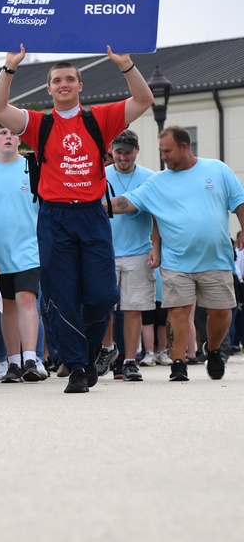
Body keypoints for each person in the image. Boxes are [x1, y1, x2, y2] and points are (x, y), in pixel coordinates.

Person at [0, 43, 153, 394]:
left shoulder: (98, 118)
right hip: (55, 217)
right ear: (49, 88)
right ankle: (77, 366)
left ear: (80, 86)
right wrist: (9, 67)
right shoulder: (38, 123)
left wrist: (125, 65)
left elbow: (143, 100)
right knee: (61, 295)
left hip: (92, 215)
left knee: (104, 295)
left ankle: (91, 348)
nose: (63, 84)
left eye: (69, 79)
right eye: (56, 80)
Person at [110, 126, 244, 382]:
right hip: (177, 261)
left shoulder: (217, 170)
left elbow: (240, 202)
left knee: (221, 312)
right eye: (161, 152)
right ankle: (178, 363)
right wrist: (93, 205)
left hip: (215, 259)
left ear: (184, 147)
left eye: (167, 151)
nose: (164, 157)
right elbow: (127, 202)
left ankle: (213, 350)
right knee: (178, 312)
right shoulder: (158, 182)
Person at [0, 122, 45, 383]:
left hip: (28, 249)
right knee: (7, 307)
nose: (9, 137)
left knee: (27, 300)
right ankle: (13, 362)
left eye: (13, 133)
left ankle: (31, 359)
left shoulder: (32, 166)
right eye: (3, 133)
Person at [100, 130, 156, 382]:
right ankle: (108, 349)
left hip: (138, 250)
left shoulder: (150, 178)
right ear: (112, 151)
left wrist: (157, 247)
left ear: (137, 151)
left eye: (127, 152)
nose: (122, 157)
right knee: (104, 306)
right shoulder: (100, 175)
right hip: (105, 251)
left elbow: (158, 217)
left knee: (133, 309)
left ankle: (130, 361)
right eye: (118, 152)